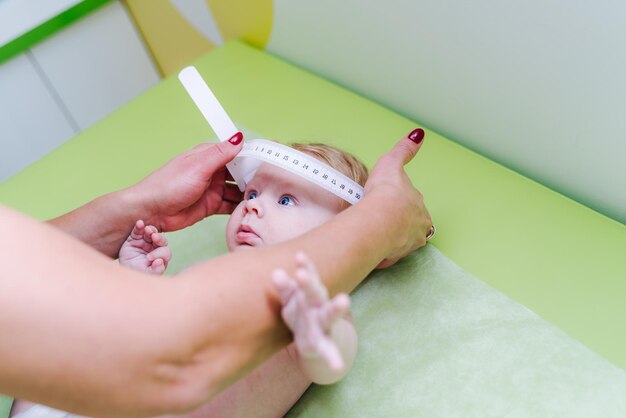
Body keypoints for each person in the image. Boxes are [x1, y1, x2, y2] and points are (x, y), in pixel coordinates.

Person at [0, 129, 432, 418]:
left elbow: (331, 366)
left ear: (340, 230)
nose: (253, 205)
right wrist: (138, 277)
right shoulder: (221, 271)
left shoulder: (312, 296)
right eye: (253, 192)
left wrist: (318, 337)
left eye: (286, 201)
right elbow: (148, 329)